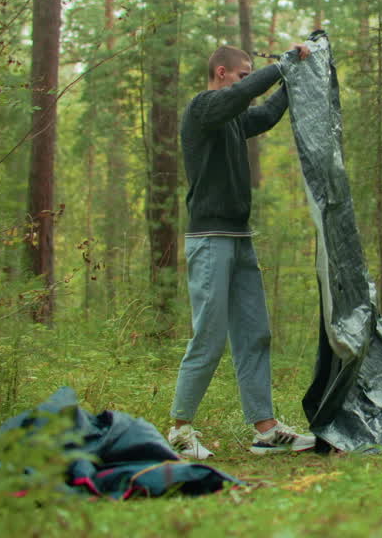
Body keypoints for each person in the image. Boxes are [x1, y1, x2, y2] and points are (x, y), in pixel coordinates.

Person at [167, 43, 316, 459]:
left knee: (255, 334)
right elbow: (241, 96)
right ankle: (180, 429)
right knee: (209, 336)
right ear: (220, 72)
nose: (246, 79)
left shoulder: (232, 120)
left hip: (239, 238)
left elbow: (265, 114)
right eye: (242, 73)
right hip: (209, 239)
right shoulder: (203, 109)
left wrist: (293, 78)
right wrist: (280, 65)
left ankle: (265, 430)